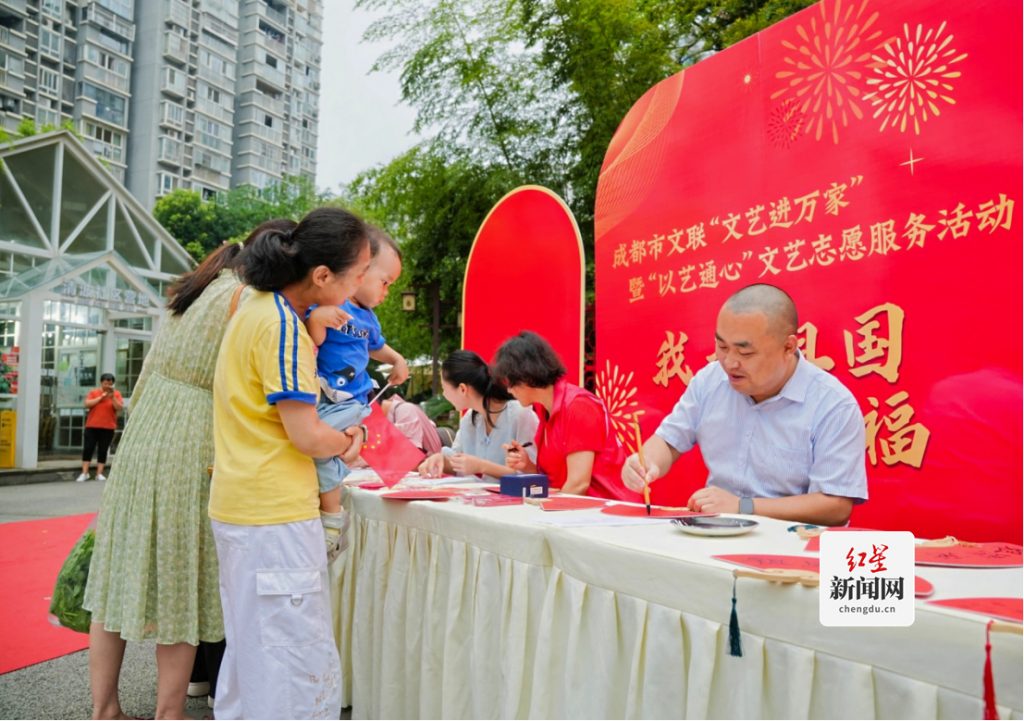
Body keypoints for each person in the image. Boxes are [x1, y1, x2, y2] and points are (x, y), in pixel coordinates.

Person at [83, 219, 293, 720]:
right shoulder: (250, 302)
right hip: (192, 435)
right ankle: (169, 712)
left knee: (116, 575)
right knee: (181, 580)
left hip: (144, 436)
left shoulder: (194, 290)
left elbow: (146, 375)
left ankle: (104, 708)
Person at [209, 207, 371, 720]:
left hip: (242, 507)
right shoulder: (282, 327)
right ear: (323, 276)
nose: (360, 285)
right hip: (273, 513)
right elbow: (306, 435)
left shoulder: (257, 308)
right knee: (293, 661)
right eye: (359, 273)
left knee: (253, 655)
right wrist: (347, 439)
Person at [621, 283, 868, 526]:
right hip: (715, 532)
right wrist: (647, 463)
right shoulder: (710, 380)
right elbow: (668, 441)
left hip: (792, 546)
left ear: (788, 346)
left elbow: (835, 506)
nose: (729, 363)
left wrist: (743, 507)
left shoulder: (833, 405)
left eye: (745, 353)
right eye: (722, 346)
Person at [304, 227, 409, 557]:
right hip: (329, 398)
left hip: (355, 398)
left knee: (335, 449)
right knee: (323, 449)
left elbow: (375, 346)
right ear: (361, 269)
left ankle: (333, 517)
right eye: (384, 281)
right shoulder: (331, 302)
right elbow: (313, 340)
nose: (387, 291)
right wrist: (319, 318)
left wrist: (396, 359)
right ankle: (333, 515)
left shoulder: (369, 319)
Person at [493, 331, 639, 501]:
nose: (509, 391)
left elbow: (579, 484)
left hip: (610, 511)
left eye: (510, 383)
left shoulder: (578, 406)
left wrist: (543, 511)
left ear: (526, 377)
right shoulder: (545, 411)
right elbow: (557, 481)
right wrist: (528, 466)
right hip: (582, 510)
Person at [419, 350, 538, 480]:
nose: (444, 395)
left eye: (444, 388)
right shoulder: (469, 420)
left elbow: (532, 475)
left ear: (463, 389)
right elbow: (458, 460)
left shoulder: (520, 414)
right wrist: (440, 460)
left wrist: (482, 466)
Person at [76, 373, 123, 482]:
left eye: (110, 384)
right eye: (105, 383)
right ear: (101, 383)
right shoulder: (94, 392)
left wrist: (113, 398)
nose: (107, 386)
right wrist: (101, 397)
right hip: (92, 426)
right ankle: (84, 473)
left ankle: (99, 474)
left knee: (103, 450)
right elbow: (87, 404)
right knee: (88, 448)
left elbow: (119, 407)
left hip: (108, 427)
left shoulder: (116, 394)